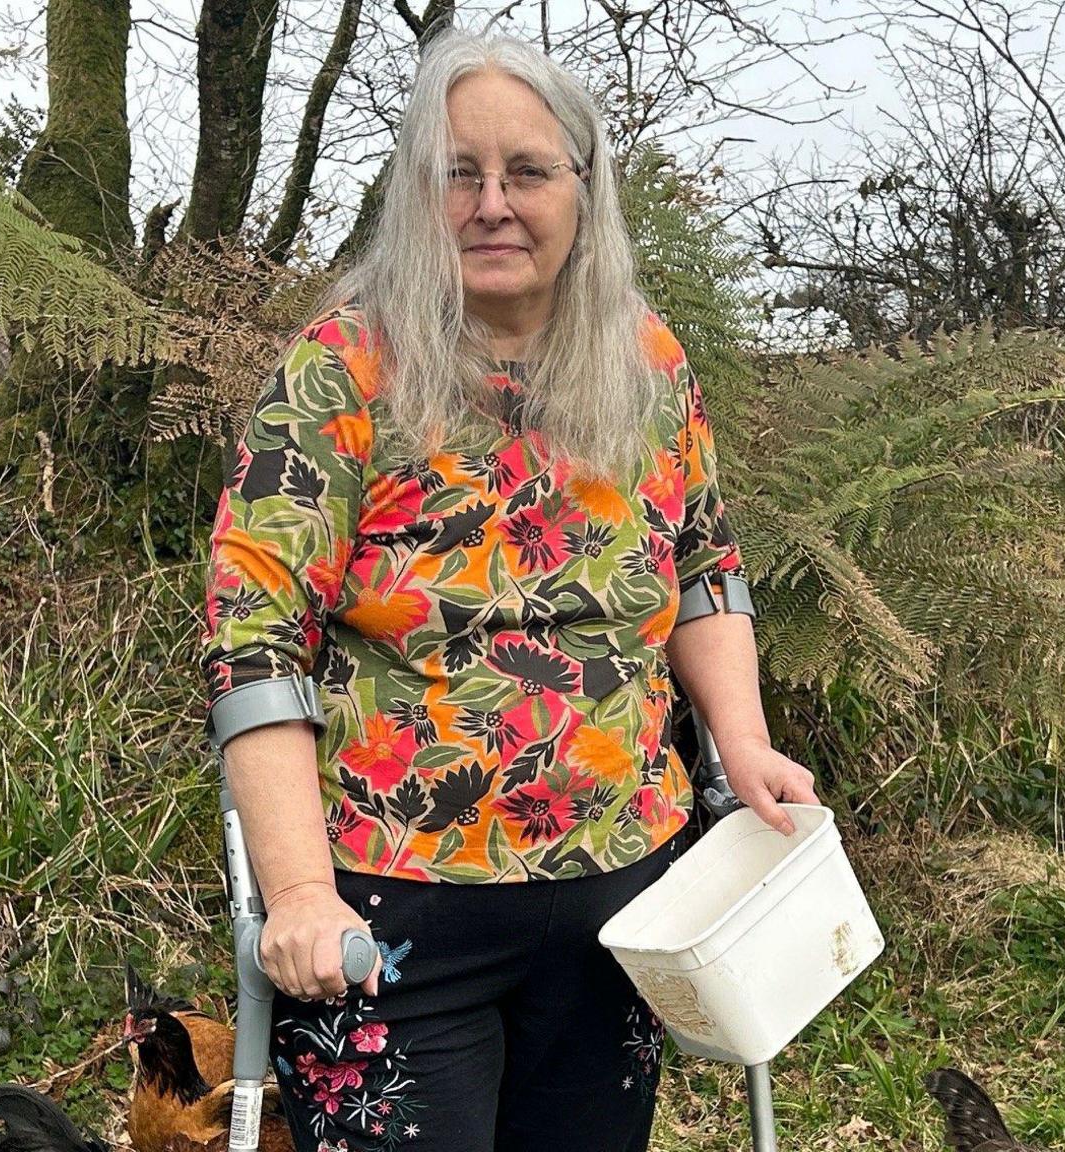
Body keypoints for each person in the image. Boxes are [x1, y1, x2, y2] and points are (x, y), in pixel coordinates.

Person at [198, 27, 819, 1152]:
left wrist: (742, 742)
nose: (493, 203)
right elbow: (254, 647)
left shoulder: (644, 361)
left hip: (628, 894)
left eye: (526, 171)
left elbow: (701, 566)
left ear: (582, 193)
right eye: (457, 173)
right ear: (414, 195)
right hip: (388, 913)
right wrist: (295, 893)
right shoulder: (342, 370)